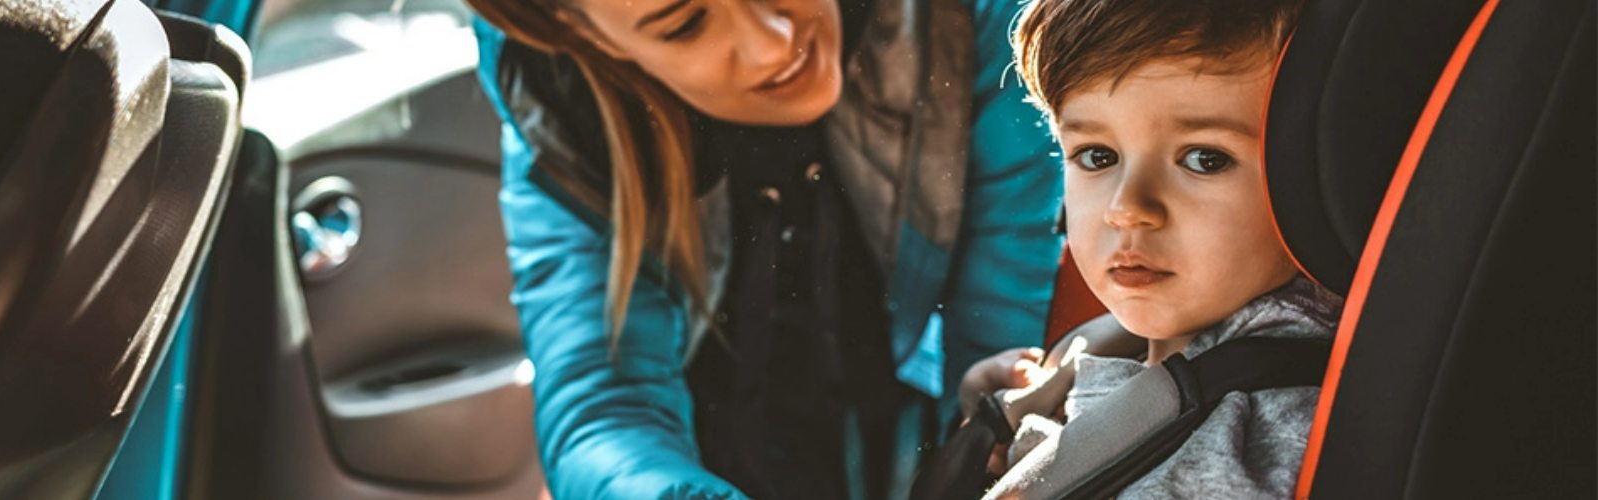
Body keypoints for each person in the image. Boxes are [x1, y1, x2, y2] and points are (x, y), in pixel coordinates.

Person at [463, 0, 1065, 496]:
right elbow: (602, 406)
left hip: (890, 422)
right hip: (703, 454)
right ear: (585, 32)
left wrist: (968, 462)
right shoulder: (562, 120)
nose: (773, 43)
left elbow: (999, 340)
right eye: (683, 24)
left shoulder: (975, 20)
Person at [965, 0, 1339, 497]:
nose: (1127, 207)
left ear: (1313, 174)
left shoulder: (1255, 434)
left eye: (1205, 159)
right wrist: (1007, 419)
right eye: (1098, 156)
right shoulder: (1118, 345)